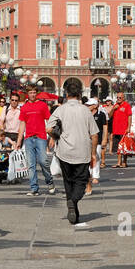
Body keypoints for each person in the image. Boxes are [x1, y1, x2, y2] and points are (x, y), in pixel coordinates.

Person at [48, 79, 102, 228]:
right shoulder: (85, 110)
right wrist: (93, 153)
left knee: (68, 180)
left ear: (66, 94)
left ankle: (73, 209)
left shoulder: (60, 109)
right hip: (82, 151)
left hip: (64, 151)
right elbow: (95, 134)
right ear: (79, 94)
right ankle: (73, 201)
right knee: (82, 180)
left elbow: (48, 128)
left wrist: (56, 137)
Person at [19, 86, 57, 196]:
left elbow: (49, 121)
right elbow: (22, 124)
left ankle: (49, 181)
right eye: (30, 93)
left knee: (43, 161)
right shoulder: (24, 107)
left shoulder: (42, 105)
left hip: (41, 137)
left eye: (34, 92)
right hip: (28, 138)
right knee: (31, 164)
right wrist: (19, 141)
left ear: (36, 93)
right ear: (27, 94)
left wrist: (52, 137)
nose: (32, 95)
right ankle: (34, 188)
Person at [85, 97, 108, 195]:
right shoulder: (86, 115)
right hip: (87, 139)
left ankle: (95, 176)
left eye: (89, 105)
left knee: (96, 157)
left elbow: (105, 127)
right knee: (88, 158)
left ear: (95, 106)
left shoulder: (101, 114)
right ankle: (89, 174)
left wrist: (104, 139)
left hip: (97, 139)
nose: (87, 106)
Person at [112, 97, 134, 169]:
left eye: (120, 97)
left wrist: (129, 127)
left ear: (123, 98)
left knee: (124, 147)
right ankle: (119, 162)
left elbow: (129, 116)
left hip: (124, 129)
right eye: (117, 97)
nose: (118, 99)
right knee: (118, 147)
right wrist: (113, 109)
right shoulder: (115, 105)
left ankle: (124, 162)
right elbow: (109, 116)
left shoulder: (127, 105)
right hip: (116, 129)